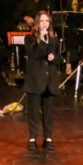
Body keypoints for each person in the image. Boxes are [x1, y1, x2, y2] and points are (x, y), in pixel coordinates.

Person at [23, 11, 60, 151]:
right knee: (33, 111)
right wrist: (43, 41)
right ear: (37, 23)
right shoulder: (29, 39)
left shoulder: (54, 39)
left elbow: (59, 59)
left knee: (48, 112)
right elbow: (35, 54)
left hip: (49, 80)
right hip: (35, 80)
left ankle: (48, 138)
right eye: (41, 21)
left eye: (47, 21)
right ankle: (32, 137)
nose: (44, 23)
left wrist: (54, 58)